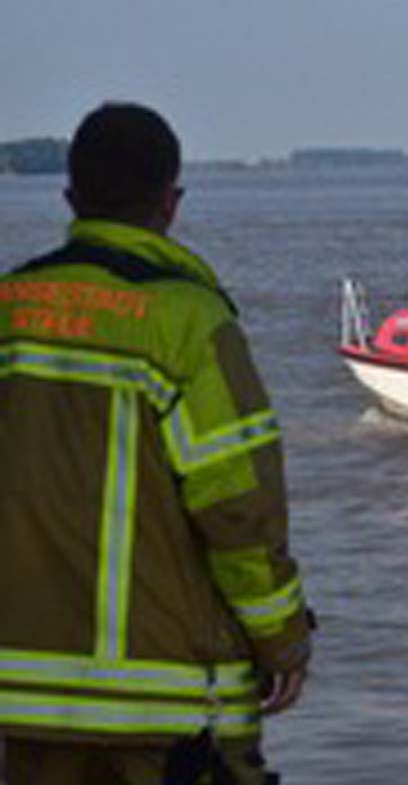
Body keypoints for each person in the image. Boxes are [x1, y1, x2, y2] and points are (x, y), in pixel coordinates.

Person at [0, 103, 312, 784]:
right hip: (169, 711)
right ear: (171, 203)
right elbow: (239, 507)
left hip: (21, 705)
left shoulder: (10, 308)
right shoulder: (188, 322)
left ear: (71, 198)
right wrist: (282, 639)